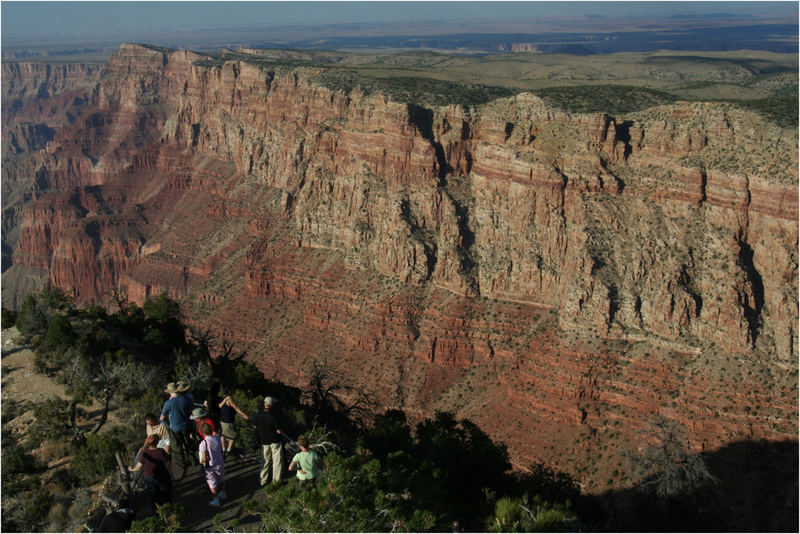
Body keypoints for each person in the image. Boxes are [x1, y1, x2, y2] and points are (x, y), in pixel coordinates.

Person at [129, 434, 172, 514]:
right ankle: (168, 511)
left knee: (154, 496)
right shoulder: (160, 451)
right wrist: (170, 474)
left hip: (149, 477)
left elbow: (139, 466)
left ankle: (156, 512)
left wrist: (131, 469)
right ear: (157, 442)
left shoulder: (145, 452)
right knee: (165, 494)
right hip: (162, 476)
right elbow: (167, 463)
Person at [160, 381, 195, 476]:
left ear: (169, 392)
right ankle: (193, 460)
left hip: (175, 427)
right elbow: (191, 411)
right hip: (186, 425)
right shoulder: (186, 399)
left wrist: (166, 426)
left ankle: (183, 462)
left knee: (177, 446)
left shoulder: (168, 403)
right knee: (188, 443)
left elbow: (162, 418)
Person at [253, 396, 283, 486]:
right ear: (271, 405)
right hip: (275, 441)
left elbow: (255, 426)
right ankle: (276, 481)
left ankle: (263, 480)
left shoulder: (258, 414)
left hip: (264, 441)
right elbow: (278, 431)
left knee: (265, 461)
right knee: (277, 461)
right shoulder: (273, 416)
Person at [198, 422, 227, 507]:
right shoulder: (217, 438)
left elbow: (204, 458)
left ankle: (216, 499)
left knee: (212, 483)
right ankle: (223, 493)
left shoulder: (203, 443)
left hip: (210, 465)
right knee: (221, 478)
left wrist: (201, 462)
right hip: (219, 461)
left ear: (202, 433)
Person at [218, 387, 250, 456]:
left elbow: (219, 406)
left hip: (222, 420)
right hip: (228, 421)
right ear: (229, 391)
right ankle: (228, 450)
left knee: (223, 435)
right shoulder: (229, 400)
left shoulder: (221, 398)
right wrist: (244, 415)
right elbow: (236, 408)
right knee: (233, 436)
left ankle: (223, 449)